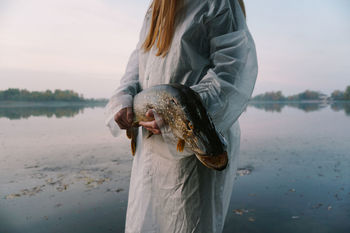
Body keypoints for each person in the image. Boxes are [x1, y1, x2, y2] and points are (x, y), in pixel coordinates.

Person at [105, 0, 258, 232]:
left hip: (193, 154)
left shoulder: (218, 3)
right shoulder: (155, 10)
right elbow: (135, 72)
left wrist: (175, 117)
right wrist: (123, 102)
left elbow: (232, 71)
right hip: (149, 150)